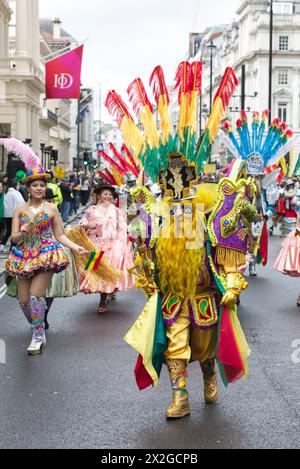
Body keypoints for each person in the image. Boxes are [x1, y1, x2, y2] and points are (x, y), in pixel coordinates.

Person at [106, 62, 256, 418]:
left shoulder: (205, 211)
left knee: (205, 350)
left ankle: (208, 380)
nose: (177, 190)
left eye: (182, 181)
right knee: (176, 347)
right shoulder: (157, 214)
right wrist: (143, 260)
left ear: (190, 181)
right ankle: (179, 398)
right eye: (170, 183)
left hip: (205, 294)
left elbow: (228, 248)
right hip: (173, 296)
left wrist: (232, 282)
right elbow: (143, 248)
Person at [6, 167, 86, 355]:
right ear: (28, 188)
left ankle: (38, 337)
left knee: (35, 296)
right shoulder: (19, 209)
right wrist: (22, 231)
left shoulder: (51, 208)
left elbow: (59, 234)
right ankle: (38, 325)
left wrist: (75, 247)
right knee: (24, 302)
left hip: (46, 253)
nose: (39, 188)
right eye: (35, 185)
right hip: (24, 256)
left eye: (42, 185)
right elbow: (14, 238)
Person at [78, 184, 135, 313]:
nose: (108, 196)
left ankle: (103, 300)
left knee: (109, 271)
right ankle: (107, 293)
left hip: (113, 246)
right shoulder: (91, 210)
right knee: (94, 272)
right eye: (105, 194)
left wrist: (130, 234)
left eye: (110, 194)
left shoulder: (116, 211)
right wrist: (87, 225)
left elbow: (122, 226)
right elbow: (81, 224)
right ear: (99, 196)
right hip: (96, 246)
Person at [0, 180, 24, 252]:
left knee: (8, 231)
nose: (19, 186)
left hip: (7, 215)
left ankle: (2, 245)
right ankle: (12, 247)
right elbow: (22, 204)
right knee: (14, 231)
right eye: (18, 185)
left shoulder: (6, 193)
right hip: (14, 215)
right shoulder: (17, 193)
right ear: (15, 185)